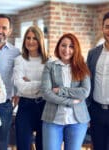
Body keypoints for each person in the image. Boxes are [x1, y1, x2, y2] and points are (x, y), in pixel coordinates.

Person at [41, 33, 91, 150]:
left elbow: (84, 92)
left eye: (71, 46)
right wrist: (70, 102)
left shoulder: (82, 67)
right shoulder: (50, 66)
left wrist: (60, 90)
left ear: (76, 49)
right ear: (58, 47)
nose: (67, 50)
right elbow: (46, 93)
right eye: (63, 45)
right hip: (52, 120)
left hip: (77, 121)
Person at [13, 25, 48, 150]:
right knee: (23, 146)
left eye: (34, 38)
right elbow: (20, 87)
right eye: (28, 38)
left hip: (44, 106)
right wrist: (42, 83)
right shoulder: (19, 60)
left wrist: (30, 82)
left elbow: (49, 87)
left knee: (42, 146)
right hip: (25, 107)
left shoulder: (49, 61)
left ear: (40, 40)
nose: (31, 41)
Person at [0, 14, 20, 150]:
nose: (0, 30)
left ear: (9, 30)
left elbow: (19, 75)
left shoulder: (16, 53)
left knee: (2, 142)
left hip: (4, 105)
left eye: (4, 28)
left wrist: (18, 93)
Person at [87, 12, 109, 150]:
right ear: (102, 28)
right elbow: (86, 80)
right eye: (107, 26)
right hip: (96, 111)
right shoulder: (93, 53)